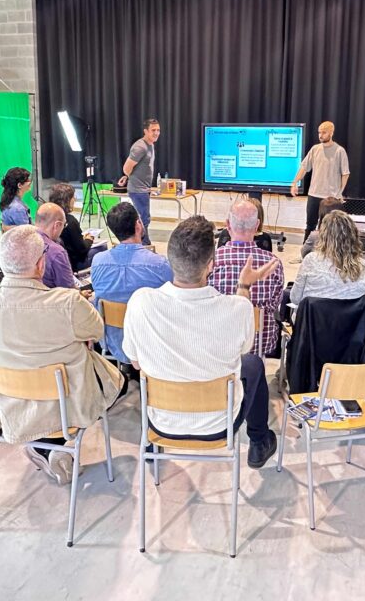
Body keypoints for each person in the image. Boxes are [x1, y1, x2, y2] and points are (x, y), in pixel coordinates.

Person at [0, 226, 123, 485]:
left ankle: (44, 446)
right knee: (116, 380)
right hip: (68, 408)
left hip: (11, 406)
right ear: (41, 264)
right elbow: (97, 331)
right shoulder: (67, 303)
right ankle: (49, 445)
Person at [122, 216, 279, 468]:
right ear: (211, 265)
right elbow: (243, 349)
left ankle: (150, 445)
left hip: (160, 422)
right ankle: (259, 441)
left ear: (169, 259)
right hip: (219, 424)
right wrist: (244, 285)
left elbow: (136, 363)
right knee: (253, 364)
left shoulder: (140, 301)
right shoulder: (238, 308)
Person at [90, 202, 172, 366]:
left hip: (111, 342)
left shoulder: (98, 261)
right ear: (138, 225)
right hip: (150, 344)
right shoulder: (160, 265)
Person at [209, 199, 285, 358]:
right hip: (260, 341)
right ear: (257, 226)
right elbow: (274, 306)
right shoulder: (273, 264)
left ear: (228, 225)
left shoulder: (211, 262)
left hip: (219, 341)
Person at [290, 211, 365, 305]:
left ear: (323, 236)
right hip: (350, 315)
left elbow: (295, 299)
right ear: (354, 235)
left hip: (313, 314)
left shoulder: (311, 260)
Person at [290, 121, 350, 242]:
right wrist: (294, 182)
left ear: (331, 133)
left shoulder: (339, 151)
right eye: (319, 132)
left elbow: (345, 173)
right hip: (314, 194)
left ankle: (326, 250)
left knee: (328, 227)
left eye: (324, 132)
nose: (320, 135)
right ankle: (306, 250)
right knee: (310, 225)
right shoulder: (315, 149)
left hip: (331, 197)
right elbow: (304, 167)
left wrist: (340, 192)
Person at [117, 117, 159, 247]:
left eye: (158, 130)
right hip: (138, 189)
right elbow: (126, 168)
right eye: (153, 130)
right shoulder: (140, 147)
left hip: (143, 189)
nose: (156, 133)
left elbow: (137, 168)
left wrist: (128, 177)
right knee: (143, 218)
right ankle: (144, 245)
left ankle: (141, 243)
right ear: (145, 131)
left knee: (143, 217)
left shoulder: (150, 145)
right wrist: (130, 176)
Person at [48, 182, 96, 271]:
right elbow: (82, 250)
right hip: (72, 263)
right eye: (73, 197)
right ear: (67, 200)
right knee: (102, 248)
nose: (75, 199)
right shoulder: (70, 221)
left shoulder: (47, 217)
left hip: (53, 261)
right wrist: (89, 240)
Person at [34, 202, 75, 290]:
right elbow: (69, 291)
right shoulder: (57, 252)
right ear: (57, 225)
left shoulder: (20, 240)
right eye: (64, 225)